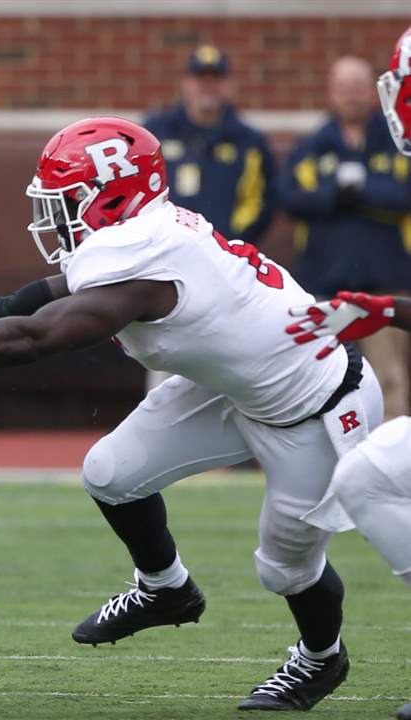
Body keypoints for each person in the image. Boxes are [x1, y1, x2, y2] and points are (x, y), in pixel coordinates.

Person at [0, 117, 383, 712]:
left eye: (68, 199)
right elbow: (16, 306)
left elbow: (33, 338)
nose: (56, 214)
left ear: (112, 195)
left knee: (285, 568)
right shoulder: (139, 236)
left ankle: (322, 657)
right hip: (233, 387)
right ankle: (166, 589)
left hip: (313, 401)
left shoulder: (141, 257)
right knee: (111, 473)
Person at [285, 26, 411, 720]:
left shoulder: (385, 149)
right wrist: (386, 307)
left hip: (380, 278)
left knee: (372, 464)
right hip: (342, 285)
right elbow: (293, 196)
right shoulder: (315, 146)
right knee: (363, 471)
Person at [281, 55, 411, 421]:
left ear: (373, 93)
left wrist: (363, 191)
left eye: (358, 88)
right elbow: (290, 198)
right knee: (321, 380)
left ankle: (395, 452)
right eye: (344, 88)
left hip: (386, 283)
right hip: (326, 283)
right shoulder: (313, 146)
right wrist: (334, 196)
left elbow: (405, 195)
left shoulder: (396, 142)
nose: (351, 96)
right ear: (331, 93)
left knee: (390, 379)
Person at [145, 45, 277, 246]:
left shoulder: (248, 141)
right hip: (161, 248)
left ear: (229, 85)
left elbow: (262, 200)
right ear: (185, 83)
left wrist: (231, 239)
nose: (208, 86)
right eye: (200, 78)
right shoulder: (156, 133)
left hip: (222, 252)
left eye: (216, 79)